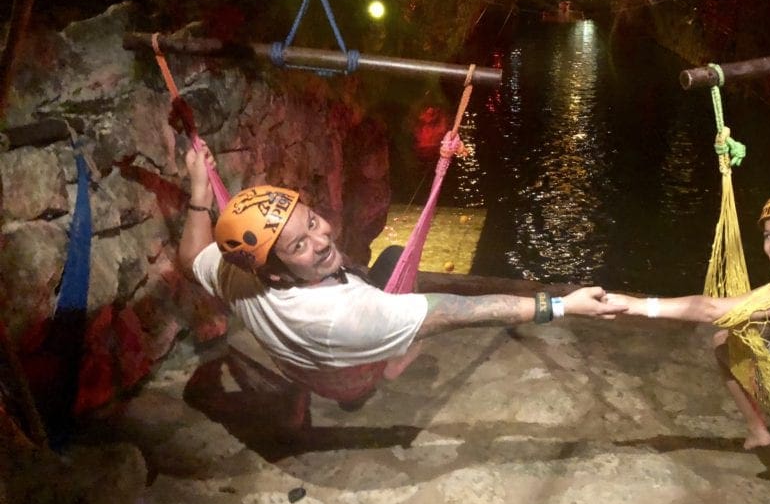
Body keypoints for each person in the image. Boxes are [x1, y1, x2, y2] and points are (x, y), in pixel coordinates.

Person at [178, 142, 625, 421]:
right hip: (349, 379)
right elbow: (467, 311)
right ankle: (384, 365)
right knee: (397, 266)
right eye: (299, 245)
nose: (322, 237)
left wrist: (200, 192)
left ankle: (313, 390)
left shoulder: (240, 275)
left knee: (385, 259)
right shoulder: (357, 314)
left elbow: (191, 257)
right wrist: (564, 305)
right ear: (273, 269)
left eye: (313, 221)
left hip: (297, 364)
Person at [607, 188, 770, 450]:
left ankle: (756, 428)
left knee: (722, 343)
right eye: (769, 236)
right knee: (746, 328)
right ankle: (762, 424)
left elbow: (709, 309)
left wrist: (638, 305)